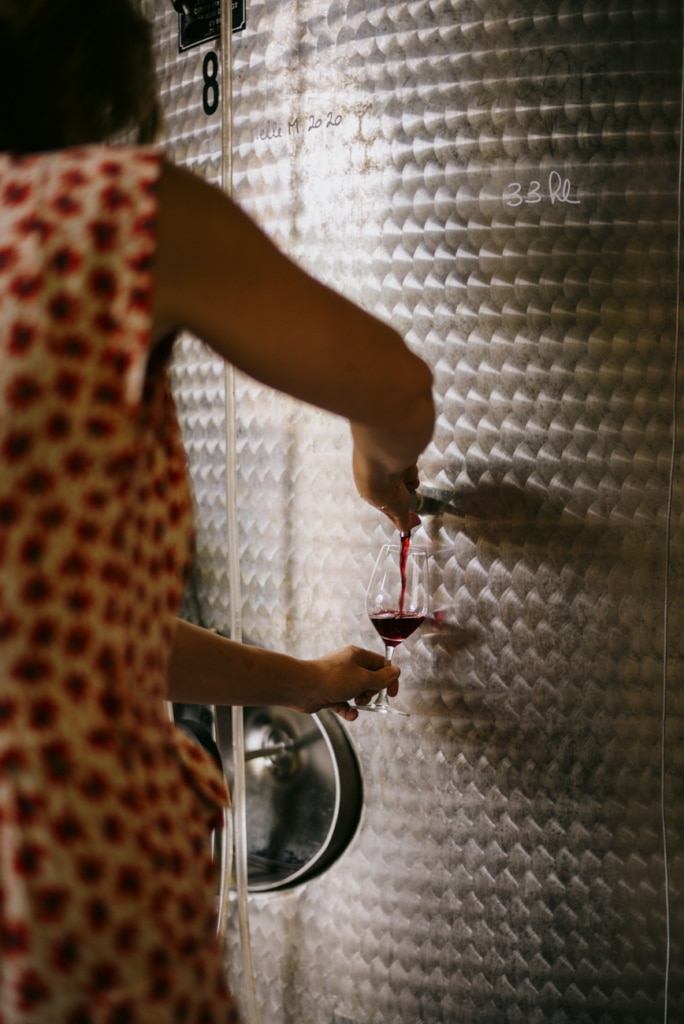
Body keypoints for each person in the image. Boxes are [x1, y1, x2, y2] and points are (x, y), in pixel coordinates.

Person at [0, 1, 435, 1022]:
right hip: (70, 872)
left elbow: (68, 635)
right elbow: (396, 387)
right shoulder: (106, 209)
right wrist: (378, 461)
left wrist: (303, 680)